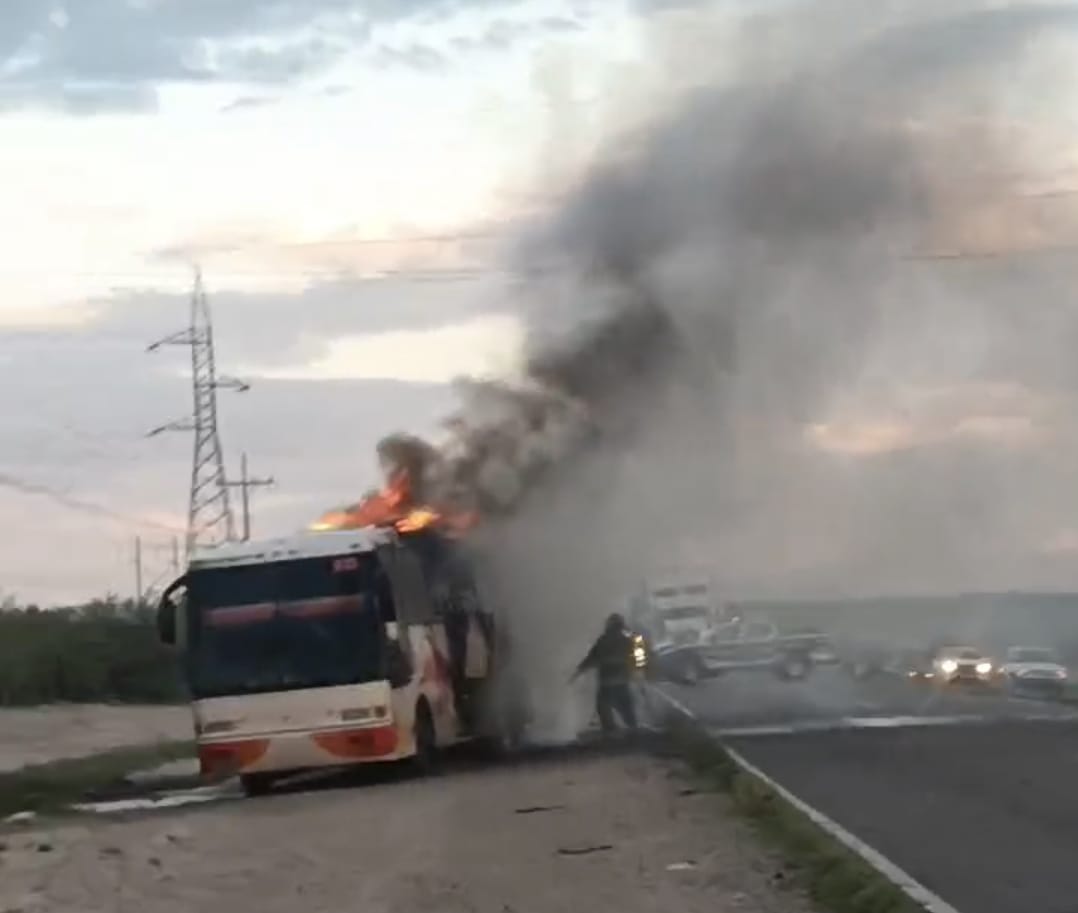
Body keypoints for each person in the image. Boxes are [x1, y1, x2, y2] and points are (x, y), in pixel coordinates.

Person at [571, 613, 639, 733]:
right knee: (627, 712)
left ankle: (611, 733)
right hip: (621, 682)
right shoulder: (626, 641)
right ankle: (633, 732)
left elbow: (591, 659)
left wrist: (577, 674)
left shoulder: (603, 641)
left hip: (606, 684)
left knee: (604, 710)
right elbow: (636, 659)